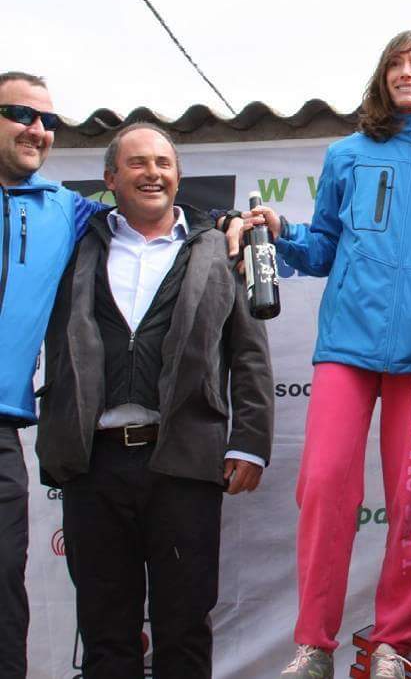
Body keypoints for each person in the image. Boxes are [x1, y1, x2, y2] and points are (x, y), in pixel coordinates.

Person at [247, 31, 411, 679]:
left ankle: (395, 643)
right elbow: (320, 249)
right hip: (346, 348)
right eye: (396, 63)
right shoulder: (345, 154)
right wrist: (282, 232)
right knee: (323, 486)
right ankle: (314, 646)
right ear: (382, 77)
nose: (407, 72)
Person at [36, 123, 275, 679]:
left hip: (185, 463)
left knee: (184, 628)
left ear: (179, 177)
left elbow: (250, 354)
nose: (153, 174)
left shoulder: (221, 247)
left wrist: (250, 442)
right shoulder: (75, 245)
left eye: (163, 163)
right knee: (104, 631)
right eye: (138, 163)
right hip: (93, 464)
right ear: (109, 177)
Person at [0, 71, 107, 678]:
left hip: (2, 429)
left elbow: (149, 216)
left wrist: (231, 223)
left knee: (2, 589)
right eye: (21, 114)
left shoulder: (65, 208)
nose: (37, 129)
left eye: (48, 121)